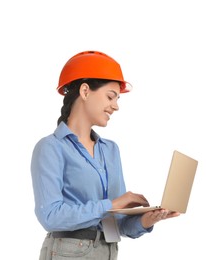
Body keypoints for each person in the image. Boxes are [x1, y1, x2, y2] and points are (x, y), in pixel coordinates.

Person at [30, 50, 180, 260]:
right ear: (85, 91)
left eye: (117, 98)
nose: (116, 106)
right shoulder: (50, 148)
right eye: (110, 96)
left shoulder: (110, 150)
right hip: (67, 251)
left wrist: (147, 220)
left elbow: (116, 223)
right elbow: (50, 216)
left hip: (108, 251)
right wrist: (112, 204)